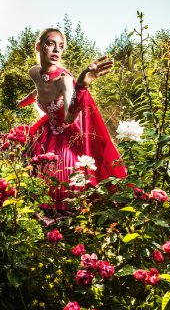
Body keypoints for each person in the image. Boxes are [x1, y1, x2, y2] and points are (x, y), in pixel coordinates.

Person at [18, 28, 126, 210]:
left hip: (67, 137)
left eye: (60, 46)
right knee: (31, 175)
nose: (56, 50)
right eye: (50, 44)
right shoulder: (34, 72)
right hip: (47, 132)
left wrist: (82, 85)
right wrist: (27, 100)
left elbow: (69, 117)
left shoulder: (64, 80)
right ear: (38, 46)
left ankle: (66, 223)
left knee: (63, 181)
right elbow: (40, 86)